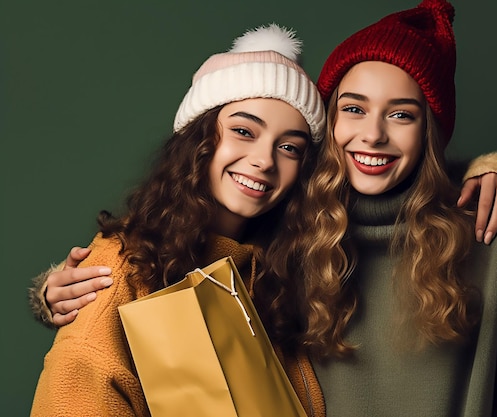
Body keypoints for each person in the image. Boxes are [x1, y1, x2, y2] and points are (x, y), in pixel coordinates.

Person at [257, 1, 497, 416]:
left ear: (430, 131)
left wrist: (492, 171)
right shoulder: (281, 223)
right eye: (354, 108)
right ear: (328, 118)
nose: (373, 134)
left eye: (401, 115)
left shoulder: (491, 227)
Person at [30, 24, 327, 416]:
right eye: (243, 131)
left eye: (289, 147)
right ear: (198, 138)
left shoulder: (288, 271)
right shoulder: (123, 264)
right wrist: (46, 294)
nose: (264, 160)